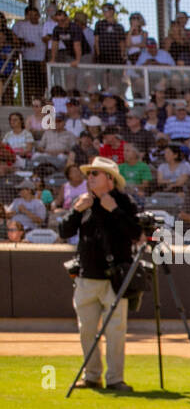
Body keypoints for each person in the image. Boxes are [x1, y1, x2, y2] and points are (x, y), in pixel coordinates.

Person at [57, 157, 142, 392]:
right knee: (86, 330)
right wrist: (76, 210)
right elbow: (64, 230)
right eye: (90, 173)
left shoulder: (123, 202)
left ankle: (115, 379)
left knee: (115, 331)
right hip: (86, 277)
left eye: (96, 173)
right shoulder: (83, 202)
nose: (90, 177)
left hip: (115, 279)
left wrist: (113, 210)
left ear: (110, 179)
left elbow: (135, 232)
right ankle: (91, 376)